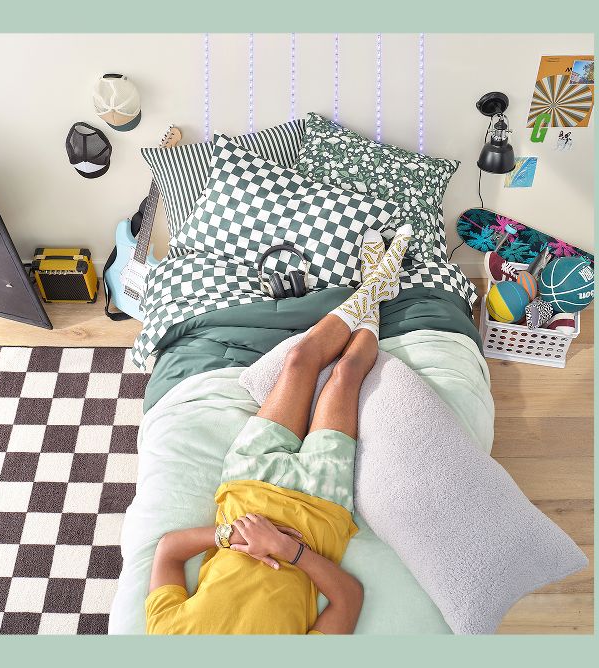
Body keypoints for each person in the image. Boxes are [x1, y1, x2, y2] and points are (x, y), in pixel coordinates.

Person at [145, 225, 412, 635]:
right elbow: (349, 597)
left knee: (300, 358)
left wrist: (227, 534)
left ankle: (376, 283)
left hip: (248, 483)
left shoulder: (166, 636)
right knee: (345, 374)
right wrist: (289, 550)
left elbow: (167, 552)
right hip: (319, 507)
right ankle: (377, 283)